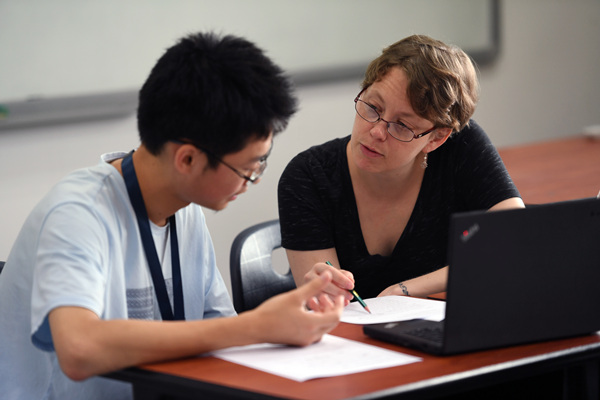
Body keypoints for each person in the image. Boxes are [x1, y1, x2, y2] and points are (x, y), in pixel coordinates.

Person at [0, 32, 344, 400]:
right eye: (248, 169)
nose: (251, 182)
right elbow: (79, 350)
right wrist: (257, 326)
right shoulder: (77, 214)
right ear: (188, 159)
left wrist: (295, 316)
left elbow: (217, 327)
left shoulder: (186, 209)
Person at [278, 34, 525, 302]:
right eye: (372, 107)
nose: (376, 131)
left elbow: (515, 236)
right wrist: (322, 293)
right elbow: (329, 311)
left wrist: (403, 291)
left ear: (436, 138)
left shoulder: (459, 147)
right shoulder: (308, 176)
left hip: (439, 331)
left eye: (402, 125)